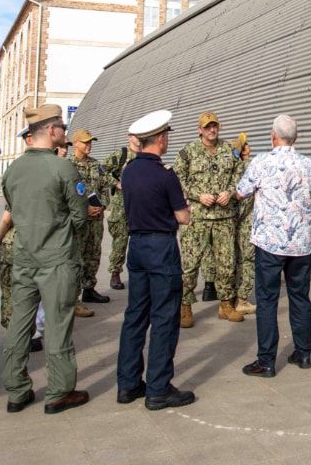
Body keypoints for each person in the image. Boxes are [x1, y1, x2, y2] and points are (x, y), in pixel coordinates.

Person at [0, 104, 89, 415]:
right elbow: (80, 217)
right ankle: (59, 391)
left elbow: (13, 208)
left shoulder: (13, 169)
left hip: (23, 257)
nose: (64, 134)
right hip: (57, 258)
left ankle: (16, 390)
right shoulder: (63, 168)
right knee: (58, 324)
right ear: (52, 131)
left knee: (19, 324)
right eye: (62, 128)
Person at [116, 110, 195, 410]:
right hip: (161, 247)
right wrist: (183, 206)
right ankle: (159, 388)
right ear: (161, 139)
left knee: (135, 315)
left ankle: (128, 383)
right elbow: (183, 218)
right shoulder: (166, 175)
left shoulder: (129, 172)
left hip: (136, 246)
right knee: (164, 317)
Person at [235, 115, 311, 376]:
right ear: (295, 138)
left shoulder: (261, 162)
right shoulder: (307, 164)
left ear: (273, 136)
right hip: (299, 246)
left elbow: (241, 193)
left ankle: (267, 361)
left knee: (267, 300)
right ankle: (303, 354)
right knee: (300, 297)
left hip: (269, 245)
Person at [173, 112, 243, 326]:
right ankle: (185, 307)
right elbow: (177, 179)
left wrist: (229, 192)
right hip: (198, 218)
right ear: (200, 130)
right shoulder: (188, 152)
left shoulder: (230, 152)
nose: (212, 130)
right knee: (190, 263)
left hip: (223, 217)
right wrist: (196, 194)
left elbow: (240, 177)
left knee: (227, 262)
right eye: (207, 127)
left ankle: (226, 304)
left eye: (215, 126)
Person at [0, 126, 44, 352]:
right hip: (31, 241)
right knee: (26, 291)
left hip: (14, 241)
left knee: (13, 290)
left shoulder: (17, 169)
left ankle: (16, 336)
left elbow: (7, 214)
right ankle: (23, 337)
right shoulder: (39, 170)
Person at [69, 129, 115, 306]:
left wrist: (102, 205)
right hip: (79, 220)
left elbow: (104, 186)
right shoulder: (68, 166)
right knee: (77, 255)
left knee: (94, 253)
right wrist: (84, 210)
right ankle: (74, 295)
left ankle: (89, 288)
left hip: (96, 219)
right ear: (76, 144)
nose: (89, 145)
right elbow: (67, 194)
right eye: (85, 142)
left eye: (90, 142)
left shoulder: (96, 165)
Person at [102, 133, 141, 290]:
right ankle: (115, 273)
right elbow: (100, 170)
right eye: (136, 136)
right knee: (121, 241)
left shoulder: (146, 154)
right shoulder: (121, 155)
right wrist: (116, 183)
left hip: (141, 205)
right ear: (129, 137)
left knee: (140, 241)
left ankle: (140, 274)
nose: (139, 139)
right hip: (122, 205)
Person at [229, 133, 256, 315]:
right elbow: (245, 201)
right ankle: (242, 299)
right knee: (247, 260)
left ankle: (231, 297)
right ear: (244, 149)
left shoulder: (231, 168)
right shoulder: (248, 168)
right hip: (246, 223)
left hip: (232, 222)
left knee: (234, 260)